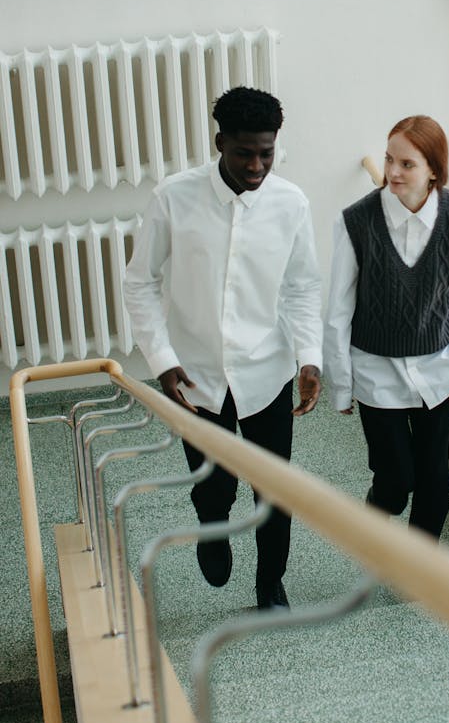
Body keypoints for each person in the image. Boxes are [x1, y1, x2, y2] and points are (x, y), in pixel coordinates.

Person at [123, 86, 322, 609]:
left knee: (274, 489)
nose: (257, 165)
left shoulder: (291, 203)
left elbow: (302, 287)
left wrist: (309, 356)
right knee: (215, 484)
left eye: (267, 153)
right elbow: (139, 282)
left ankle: (269, 583)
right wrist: (162, 360)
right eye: (244, 153)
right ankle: (211, 521)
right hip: (195, 376)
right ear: (220, 143)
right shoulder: (173, 197)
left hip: (267, 371)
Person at [324, 115, 449, 540]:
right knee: (396, 483)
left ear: (434, 169)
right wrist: (342, 385)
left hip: (439, 368)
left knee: (436, 479)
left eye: (407, 164)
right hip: (378, 371)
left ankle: (417, 567)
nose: (393, 172)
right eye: (389, 160)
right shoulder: (356, 223)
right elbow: (338, 311)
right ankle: (375, 517)